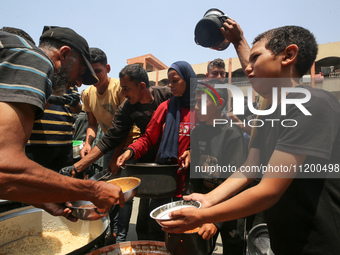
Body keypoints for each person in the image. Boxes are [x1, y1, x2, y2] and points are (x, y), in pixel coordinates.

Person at [162, 25, 340, 255]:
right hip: (286, 236)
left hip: (319, 239)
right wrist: (208, 199)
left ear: (288, 55)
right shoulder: (269, 114)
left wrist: (203, 216)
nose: (247, 67)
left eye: (255, 58)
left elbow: (268, 189)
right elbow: (249, 169)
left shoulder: (312, 103)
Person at [0, 27, 123, 219]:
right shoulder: (34, 59)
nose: (78, 83)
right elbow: (4, 168)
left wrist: (44, 199)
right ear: (64, 54)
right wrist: (90, 190)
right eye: (80, 72)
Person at [60, 63, 172, 241]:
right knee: (145, 204)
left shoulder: (167, 96)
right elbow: (109, 139)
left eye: (126, 89)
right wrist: (77, 167)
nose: (123, 94)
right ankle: (145, 243)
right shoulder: (127, 107)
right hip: (145, 156)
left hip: (172, 161)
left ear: (142, 86)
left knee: (162, 210)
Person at [117, 61, 196, 241]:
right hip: (165, 183)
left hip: (191, 185)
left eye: (175, 81)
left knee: (184, 236)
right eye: (169, 81)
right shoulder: (165, 107)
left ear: (189, 81)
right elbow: (148, 138)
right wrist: (130, 151)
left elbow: (213, 142)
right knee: (158, 231)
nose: (170, 85)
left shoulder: (203, 109)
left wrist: (193, 151)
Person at [191, 85, 247, 254]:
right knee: (201, 248)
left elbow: (234, 181)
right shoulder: (197, 132)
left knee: (234, 247)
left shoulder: (232, 134)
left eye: (202, 102)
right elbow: (195, 175)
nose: (196, 107)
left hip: (230, 206)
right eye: (196, 102)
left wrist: (216, 221)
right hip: (205, 203)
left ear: (219, 104)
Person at [25, 86, 82, 172]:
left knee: (62, 180)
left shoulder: (72, 84)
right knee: (35, 181)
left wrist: (76, 103)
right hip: (37, 143)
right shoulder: (41, 78)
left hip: (65, 144)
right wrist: (49, 100)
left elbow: (77, 110)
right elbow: (27, 104)